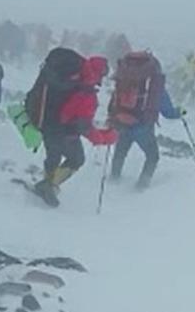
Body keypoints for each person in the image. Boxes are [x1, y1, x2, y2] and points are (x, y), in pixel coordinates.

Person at [31, 55, 117, 207]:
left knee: (53, 157)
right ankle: (49, 185)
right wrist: (104, 138)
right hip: (66, 133)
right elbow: (84, 126)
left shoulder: (70, 81)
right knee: (76, 159)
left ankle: (46, 185)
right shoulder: (86, 93)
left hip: (47, 124)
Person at [108, 51, 184, 190]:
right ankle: (141, 186)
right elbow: (168, 113)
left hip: (122, 121)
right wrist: (181, 112)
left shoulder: (124, 80)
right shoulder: (154, 87)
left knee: (120, 152)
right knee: (152, 156)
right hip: (142, 126)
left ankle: (114, 178)